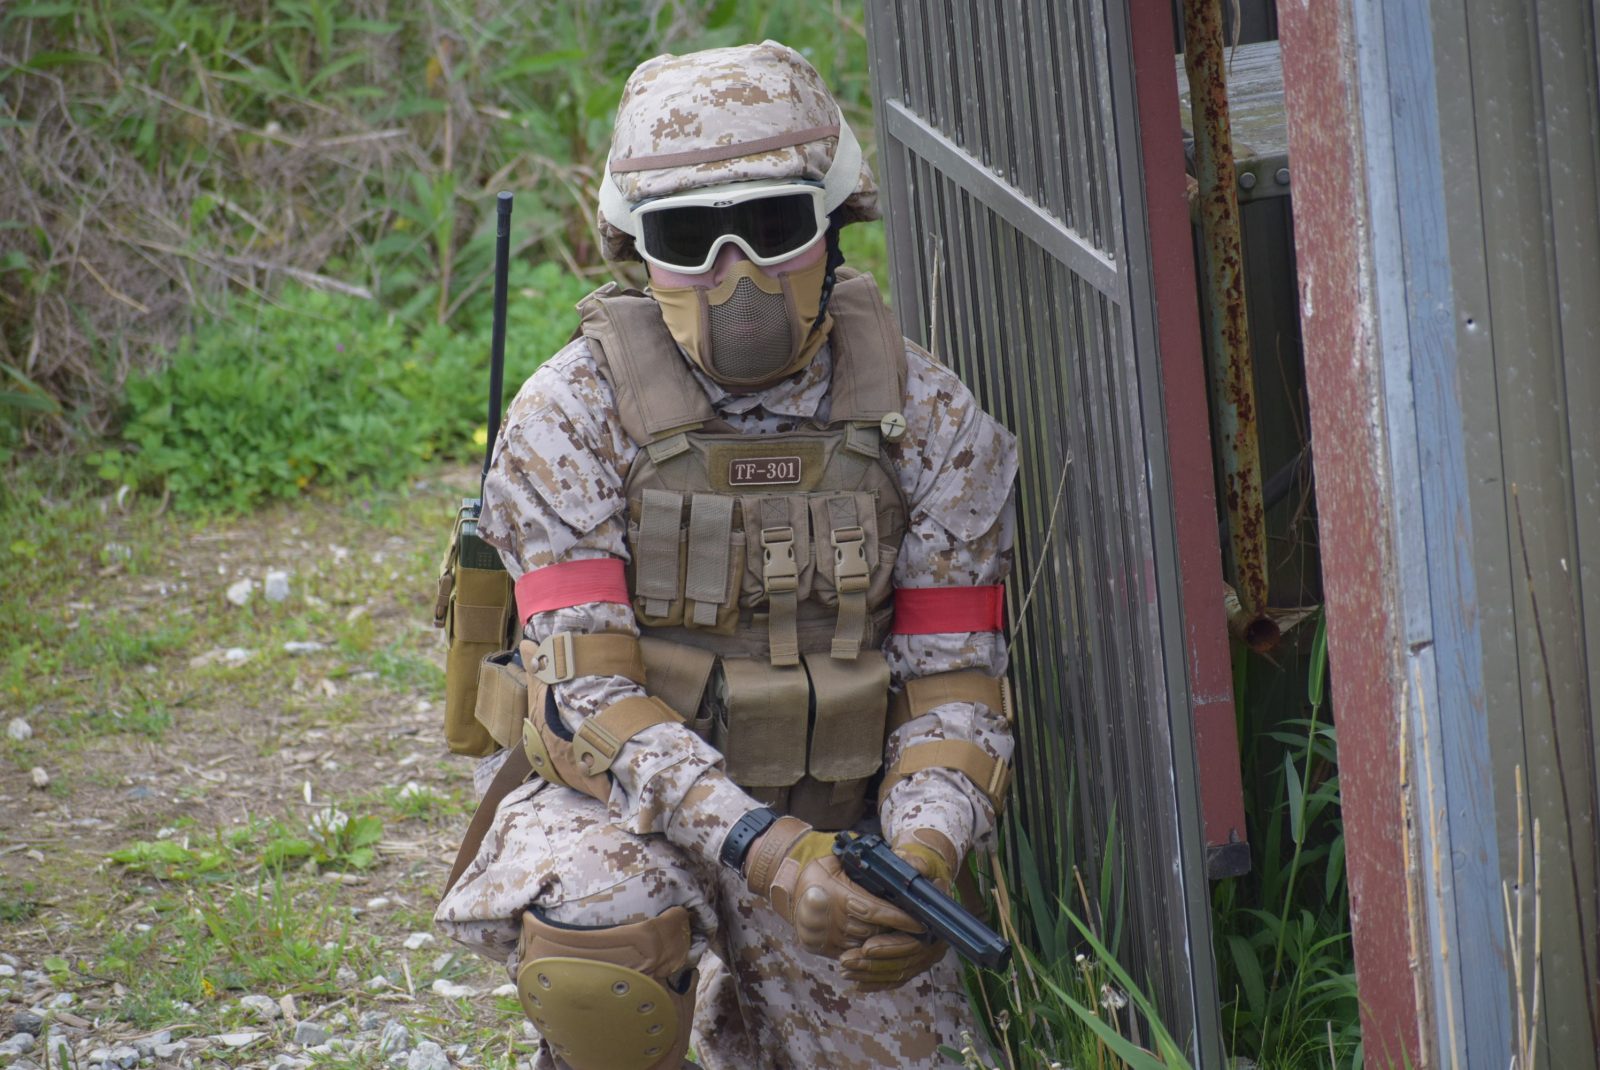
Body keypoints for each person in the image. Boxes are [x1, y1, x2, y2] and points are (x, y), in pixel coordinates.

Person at [435, 40, 1018, 1070]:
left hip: (841, 833)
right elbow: (589, 699)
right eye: (689, 238)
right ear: (636, 249)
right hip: (634, 816)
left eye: (771, 227)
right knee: (602, 943)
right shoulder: (572, 415)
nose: (734, 274)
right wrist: (765, 852)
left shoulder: (926, 418)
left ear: (832, 221)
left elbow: (954, 687)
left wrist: (923, 855)